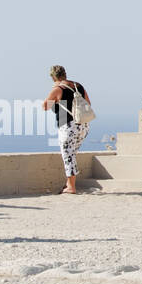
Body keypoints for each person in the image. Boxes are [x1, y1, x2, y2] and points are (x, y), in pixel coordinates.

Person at [42, 66, 90, 194]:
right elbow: (88, 103)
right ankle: (69, 183)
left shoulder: (58, 89)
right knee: (72, 154)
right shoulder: (78, 85)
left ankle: (71, 187)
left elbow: (46, 106)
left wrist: (55, 97)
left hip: (68, 125)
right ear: (65, 74)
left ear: (53, 77)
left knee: (68, 155)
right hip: (83, 124)